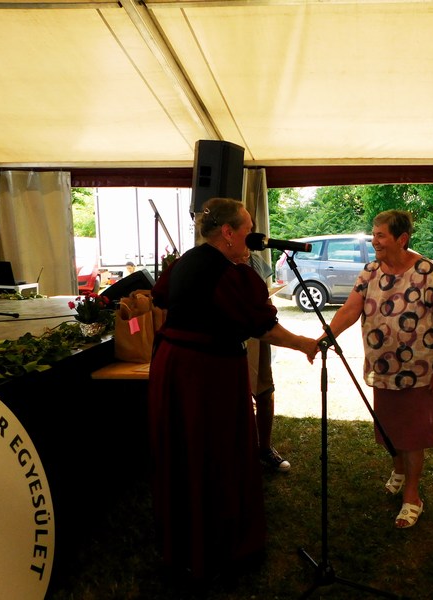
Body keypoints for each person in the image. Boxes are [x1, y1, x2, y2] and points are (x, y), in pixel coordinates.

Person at [147, 198, 317, 583]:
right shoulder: (230, 275)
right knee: (216, 451)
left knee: (183, 449)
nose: (251, 237)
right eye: (247, 229)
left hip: (172, 365)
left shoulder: (185, 262)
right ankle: (218, 543)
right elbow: (264, 327)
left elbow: (161, 299)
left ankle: (183, 539)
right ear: (228, 232)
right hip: (206, 372)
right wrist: (304, 343)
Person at [325, 210, 433, 529]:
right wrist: (326, 337)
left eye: (381, 235)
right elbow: (350, 310)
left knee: (412, 437)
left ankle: (412, 495)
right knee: (390, 431)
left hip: (420, 372)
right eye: (374, 234)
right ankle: (398, 469)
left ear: (402, 239)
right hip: (383, 370)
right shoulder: (370, 271)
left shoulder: (426, 271)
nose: (375, 241)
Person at [247, 251, 290, 472]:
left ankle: (264, 449)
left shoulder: (254, 259)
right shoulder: (213, 260)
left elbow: (265, 294)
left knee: (264, 389)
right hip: (228, 337)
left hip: (257, 333)